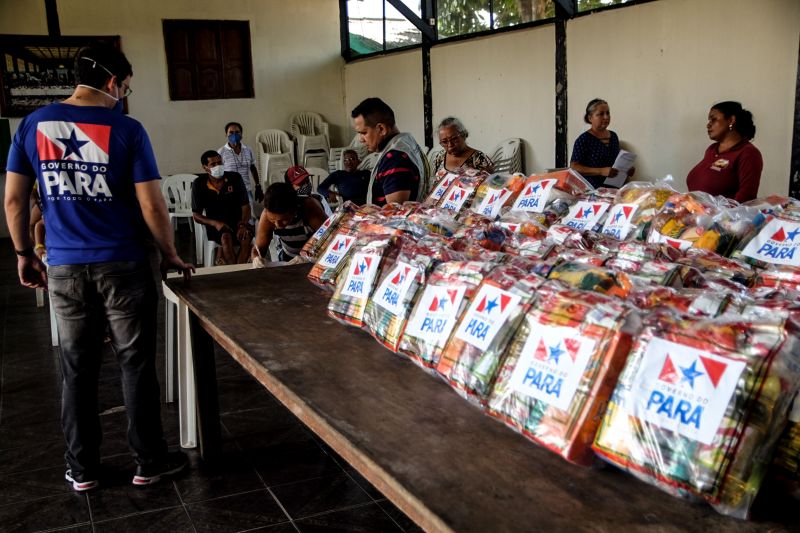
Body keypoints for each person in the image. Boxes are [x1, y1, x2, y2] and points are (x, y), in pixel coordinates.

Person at [4, 44, 193, 492]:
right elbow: (151, 202)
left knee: (77, 368)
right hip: (123, 263)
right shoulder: (126, 128)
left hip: (65, 266)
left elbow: (13, 200)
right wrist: (168, 252)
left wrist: (23, 254)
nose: (124, 95)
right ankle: (148, 461)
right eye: (126, 87)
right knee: (135, 363)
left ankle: (82, 468)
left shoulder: (32, 125)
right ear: (114, 82)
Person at [351, 97, 429, 206]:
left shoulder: (394, 158)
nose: (361, 139)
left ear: (381, 129)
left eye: (364, 133)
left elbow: (395, 216)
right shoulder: (407, 142)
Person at [686, 101, 762, 203]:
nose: (708, 125)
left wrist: (715, 215)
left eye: (713, 119)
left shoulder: (748, 153)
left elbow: (746, 199)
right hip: (696, 214)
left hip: (722, 218)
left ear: (731, 120)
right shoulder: (712, 150)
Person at [192, 150, 253, 265]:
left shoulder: (234, 178)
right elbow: (196, 216)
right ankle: (238, 271)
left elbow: (245, 206)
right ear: (205, 168)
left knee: (246, 237)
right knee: (225, 238)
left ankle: (236, 271)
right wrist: (216, 223)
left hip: (238, 222)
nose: (218, 166)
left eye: (220, 163)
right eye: (213, 164)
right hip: (216, 225)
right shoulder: (199, 184)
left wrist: (243, 224)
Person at [253, 182, 327, 262]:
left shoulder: (310, 209)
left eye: (283, 220)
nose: (277, 225)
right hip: (288, 256)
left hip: (316, 256)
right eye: (272, 220)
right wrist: (256, 259)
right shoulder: (267, 215)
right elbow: (258, 249)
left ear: (294, 211)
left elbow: (330, 239)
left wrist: (308, 258)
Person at [570, 98, 634, 188]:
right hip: (592, 190)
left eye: (608, 113)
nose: (606, 117)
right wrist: (600, 171)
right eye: (601, 114)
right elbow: (574, 167)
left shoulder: (613, 136)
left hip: (614, 189)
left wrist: (626, 170)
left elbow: (615, 162)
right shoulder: (584, 139)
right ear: (590, 118)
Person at [218, 121, 263, 210]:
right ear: (226, 134)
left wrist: (258, 186)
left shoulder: (248, 149)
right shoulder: (221, 152)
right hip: (229, 191)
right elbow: (219, 173)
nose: (234, 135)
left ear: (241, 134)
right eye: (231, 132)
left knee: (249, 218)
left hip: (246, 190)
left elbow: (252, 168)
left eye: (237, 132)